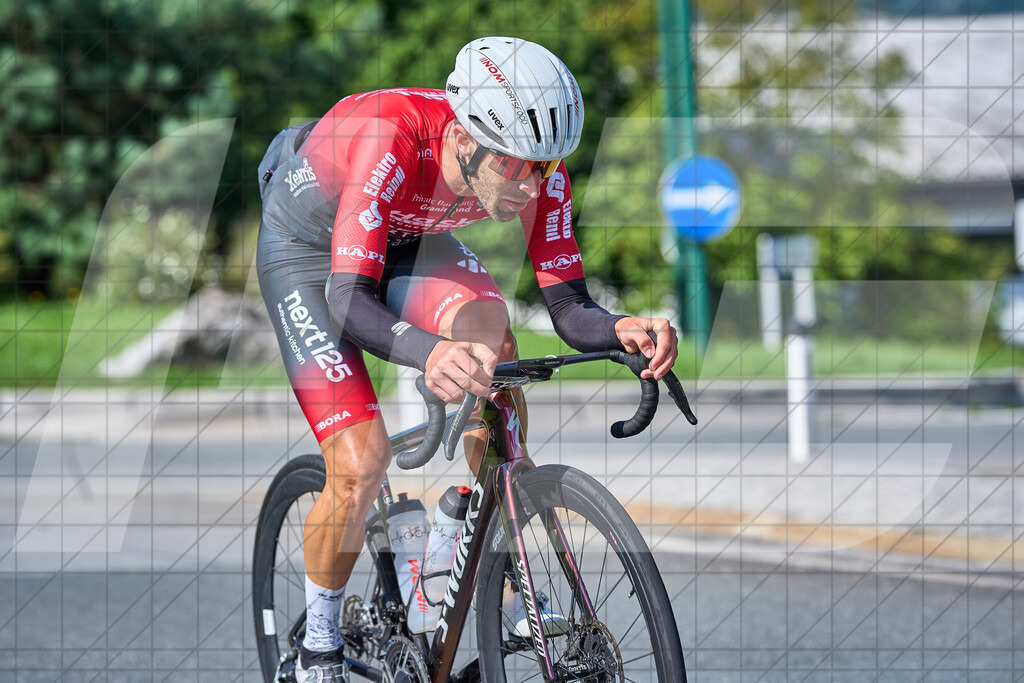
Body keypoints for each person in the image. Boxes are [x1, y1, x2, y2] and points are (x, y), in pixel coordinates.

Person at [256, 36, 679, 682]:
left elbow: (568, 308)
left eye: (546, 167)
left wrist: (621, 328)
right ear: (463, 140)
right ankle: (317, 645)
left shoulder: (535, 167)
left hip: (402, 239)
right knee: (360, 460)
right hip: (309, 256)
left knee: (494, 341)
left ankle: (481, 550)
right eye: (517, 167)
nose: (534, 184)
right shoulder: (389, 136)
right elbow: (348, 301)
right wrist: (427, 353)